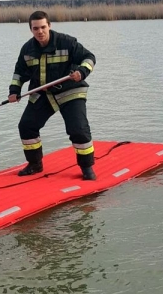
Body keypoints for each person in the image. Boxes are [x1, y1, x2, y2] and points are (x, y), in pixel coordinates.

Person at [8, 10, 98, 180]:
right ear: (31, 29)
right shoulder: (27, 49)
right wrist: (14, 91)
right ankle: (35, 164)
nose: (40, 31)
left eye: (43, 27)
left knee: (78, 129)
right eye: (36, 28)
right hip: (42, 93)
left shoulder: (66, 42)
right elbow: (19, 73)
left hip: (70, 91)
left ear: (49, 26)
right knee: (26, 126)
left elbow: (89, 57)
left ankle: (87, 168)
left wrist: (82, 71)